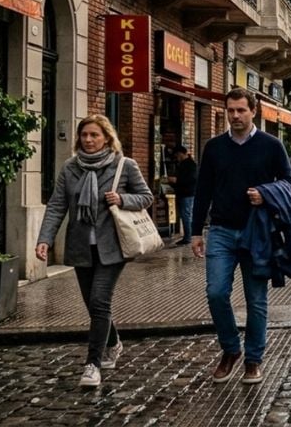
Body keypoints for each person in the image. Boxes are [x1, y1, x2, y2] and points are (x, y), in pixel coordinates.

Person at [35, 115, 153, 388]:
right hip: (80, 246)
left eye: (94, 135)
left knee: (100, 301)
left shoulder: (124, 165)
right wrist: (45, 239)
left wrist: (123, 198)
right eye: (84, 135)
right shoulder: (70, 168)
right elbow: (56, 205)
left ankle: (92, 364)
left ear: (107, 138)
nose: (88, 140)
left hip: (112, 246)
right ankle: (113, 342)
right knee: (92, 305)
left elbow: (146, 197)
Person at [191, 87, 291, 385]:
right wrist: (196, 231)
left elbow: (289, 182)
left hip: (257, 232)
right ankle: (230, 349)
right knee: (215, 292)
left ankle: (253, 359)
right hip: (221, 230)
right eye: (231, 110)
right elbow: (203, 191)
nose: (235, 116)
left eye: (241, 110)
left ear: (254, 111)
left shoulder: (271, 145)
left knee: (256, 299)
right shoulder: (214, 147)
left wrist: (265, 194)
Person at [167, 145, 197, 245]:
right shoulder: (182, 164)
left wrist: (176, 180)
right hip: (183, 193)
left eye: (177, 155)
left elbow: (192, 179)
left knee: (186, 215)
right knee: (186, 215)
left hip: (187, 194)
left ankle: (188, 237)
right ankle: (188, 236)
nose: (177, 157)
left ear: (181, 153)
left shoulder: (190, 164)